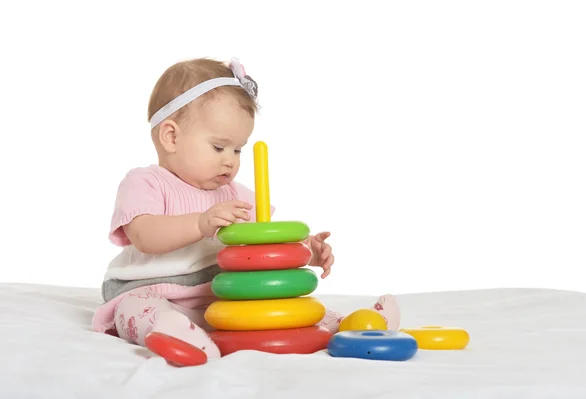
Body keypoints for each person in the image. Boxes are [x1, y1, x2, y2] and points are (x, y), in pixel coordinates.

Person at [91, 56, 401, 365]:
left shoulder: (235, 195)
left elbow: (265, 247)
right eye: (219, 147)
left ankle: (355, 327)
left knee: (292, 310)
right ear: (171, 136)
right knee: (135, 309)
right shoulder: (145, 182)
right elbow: (145, 235)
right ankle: (177, 336)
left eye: (238, 149)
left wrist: (307, 252)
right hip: (156, 294)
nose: (231, 161)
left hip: (223, 303)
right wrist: (200, 223)